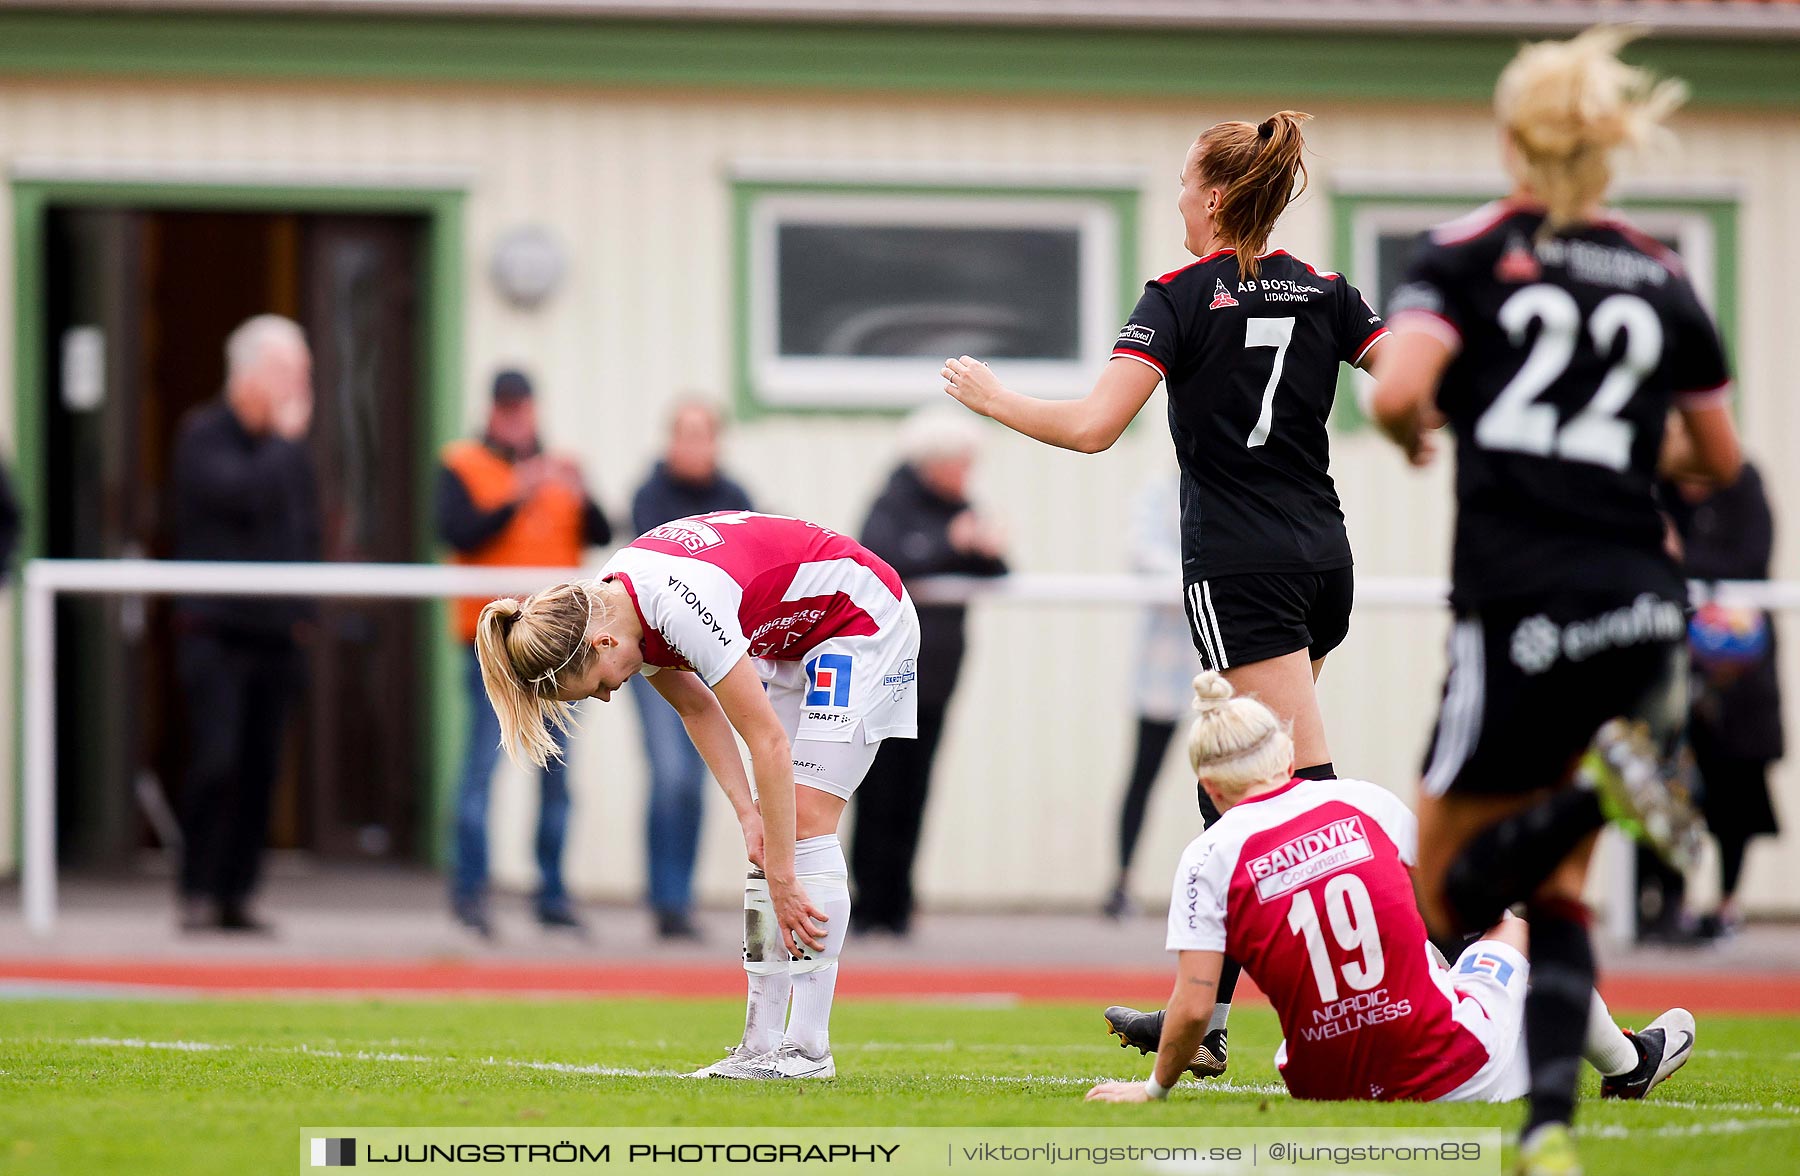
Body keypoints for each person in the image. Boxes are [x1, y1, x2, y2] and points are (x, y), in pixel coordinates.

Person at [1367, 28, 1742, 1174]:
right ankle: (1544, 1131)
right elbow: (1716, 459)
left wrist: (1418, 432)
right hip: (1638, 594)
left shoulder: (1470, 250)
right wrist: (1627, 458)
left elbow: (1398, 389)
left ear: (1514, 136)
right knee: (1560, 893)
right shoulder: (1661, 271)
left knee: (1445, 879)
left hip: (1519, 599)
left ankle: (1589, 802)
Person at [943, 109, 1388, 1071]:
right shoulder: (1327, 288)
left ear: (1215, 196)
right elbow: (1407, 386)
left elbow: (1093, 427)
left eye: (1187, 181)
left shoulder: (1179, 296)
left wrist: (993, 399)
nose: (1178, 196)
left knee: (1303, 801)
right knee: (1225, 786)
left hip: (1242, 570)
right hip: (1322, 558)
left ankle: (1408, 987)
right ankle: (1212, 1019)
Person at [1087, 675, 1694, 1109]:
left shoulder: (1203, 857)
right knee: (1512, 927)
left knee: (1426, 964)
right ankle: (1629, 1065)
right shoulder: (1360, 801)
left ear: (1210, 787)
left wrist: (1154, 1090)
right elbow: (1454, 902)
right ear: (1285, 755)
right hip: (1450, 1069)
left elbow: (1193, 1008)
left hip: (1321, 1083)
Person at [475, 511, 919, 1080]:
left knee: (803, 824)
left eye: (602, 684)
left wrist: (784, 877)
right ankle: (760, 1045)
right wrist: (748, 817)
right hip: (791, 637)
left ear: (603, 643)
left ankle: (808, 1050)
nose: (611, 696)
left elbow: (768, 743)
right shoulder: (616, 604)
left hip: (857, 619)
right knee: (772, 834)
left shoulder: (673, 609)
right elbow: (695, 706)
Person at [439, 369, 613, 938]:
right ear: (491, 412)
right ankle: (469, 893)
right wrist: (520, 489)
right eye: (506, 410)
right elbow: (458, 532)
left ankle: (552, 894)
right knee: (481, 769)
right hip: (491, 645)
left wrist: (580, 489)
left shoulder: (556, 470)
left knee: (557, 772)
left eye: (523, 409)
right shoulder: (464, 464)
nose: (516, 419)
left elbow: (601, 530)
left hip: (561, 646)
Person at [169, 314, 319, 933]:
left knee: (262, 769)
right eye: (290, 371)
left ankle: (237, 894)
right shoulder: (203, 436)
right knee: (217, 760)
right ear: (252, 372)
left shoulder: (289, 453)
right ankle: (196, 888)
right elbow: (237, 498)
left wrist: (305, 615)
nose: (298, 385)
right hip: (215, 631)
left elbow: (304, 532)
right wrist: (285, 445)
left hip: (275, 635)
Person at [851, 407, 1007, 936]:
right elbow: (881, 560)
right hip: (889, 674)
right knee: (879, 788)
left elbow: (999, 568)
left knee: (917, 787)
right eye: (961, 462)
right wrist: (953, 546)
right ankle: (869, 901)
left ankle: (898, 903)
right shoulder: (891, 504)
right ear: (934, 462)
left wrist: (984, 550)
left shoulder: (961, 506)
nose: (968, 474)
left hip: (938, 677)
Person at [627, 401, 755, 940]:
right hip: (661, 657)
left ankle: (679, 899)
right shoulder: (649, 496)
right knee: (671, 775)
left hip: (711, 654)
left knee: (699, 777)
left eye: (703, 436)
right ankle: (664, 897)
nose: (694, 446)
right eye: (686, 435)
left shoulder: (735, 497)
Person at [1667, 461, 1783, 939]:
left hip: (1742, 688)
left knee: (1737, 796)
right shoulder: (1655, 484)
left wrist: (1682, 561)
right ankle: (1669, 905)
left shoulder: (1745, 484)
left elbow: (1750, 561)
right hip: (1673, 674)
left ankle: (1726, 904)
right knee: (1667, 792)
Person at [1104, 472, 1201, 918]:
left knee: (1237, 774)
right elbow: (1143, 554)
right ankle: (1121, 882)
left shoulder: (1250, 481)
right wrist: (1204, 578)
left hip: (1230, 663)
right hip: (1166, 662)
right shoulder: (1160, 493)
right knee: (1143, 775)